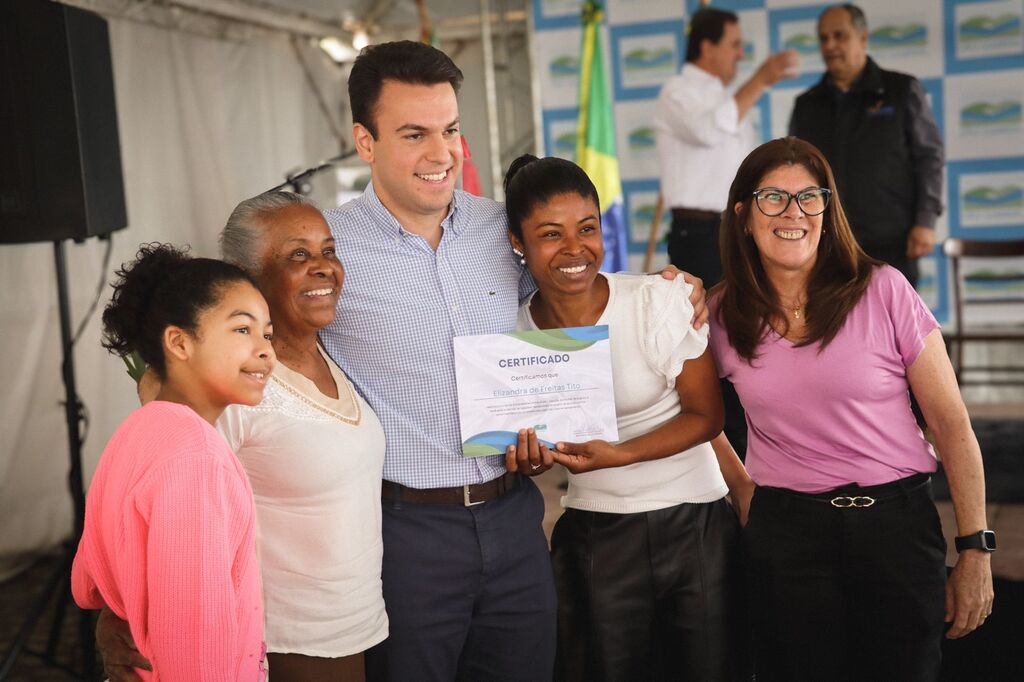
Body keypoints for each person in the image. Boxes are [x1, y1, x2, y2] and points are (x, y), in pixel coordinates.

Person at [320, 40, 707, 681]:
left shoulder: (502, 230)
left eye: (450, 130)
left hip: (516, 515)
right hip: (406, 533)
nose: (440, 153)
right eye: (414, 134)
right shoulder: (332, 256)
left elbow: (580, 285)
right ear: (366, 142)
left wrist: (671, 290)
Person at [708, 136, 994, 680]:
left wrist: (976, 549)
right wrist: (743, 487)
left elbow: (951, 423)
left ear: (827, 210)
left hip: (897, 529)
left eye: (809, 197)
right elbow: (691, 412)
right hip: (787, 537)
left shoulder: (884, 290)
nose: (794, 213)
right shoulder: (719, 312)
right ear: (744, 215)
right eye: (774, 197)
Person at [94, 192, 389, 682]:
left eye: (328, 251)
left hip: (352, 627)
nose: (323, 267)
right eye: (299, 255)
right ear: (245, 275)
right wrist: (117, 615)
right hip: (284, 642)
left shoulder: (329, 356)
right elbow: (155, 510)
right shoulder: (235, 390)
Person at [505, 154, 753, 681]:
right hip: (596, 533)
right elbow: (532, 446)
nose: (575, 249)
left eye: (587, 228)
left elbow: (708, 417)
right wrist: (528, 461)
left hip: (697, 525)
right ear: (516, 243)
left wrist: (621, 454)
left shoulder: (655, 301)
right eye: (550, 234)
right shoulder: (514, 334)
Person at [72, 244, 273, 679]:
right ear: (179, 342)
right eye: (242, 330)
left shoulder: (137, 431)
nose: (265, 352)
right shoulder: (196, 458)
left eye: (267, 334)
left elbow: (89, 577)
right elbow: (195, 643)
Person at [788, 3, 943, 287]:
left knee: (895, 328)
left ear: (863, 38)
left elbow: (929, 157)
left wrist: (925, 221)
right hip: (827, 243)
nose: (831, 45)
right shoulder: (806, 105)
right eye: (824, 38)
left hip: (893, 240)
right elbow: (794, 173)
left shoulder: (901, 90)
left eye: (840, 36)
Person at [653, 6, 797, 287]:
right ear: (708, 48)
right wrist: (759, 80)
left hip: (738, 226)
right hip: (699, 235)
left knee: (741, 320)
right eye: (734, 45)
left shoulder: (728, 98)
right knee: (703, 322)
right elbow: (707, 131)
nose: (741, 54)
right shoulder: (677, 91)